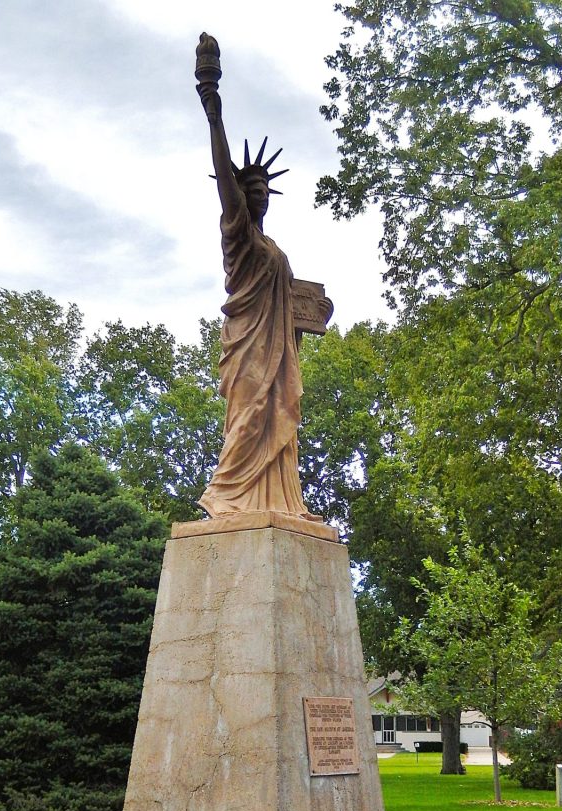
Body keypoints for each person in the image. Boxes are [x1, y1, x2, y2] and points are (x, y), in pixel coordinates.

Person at [196, 34, 318, 520]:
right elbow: (225, 179)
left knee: (276, 422)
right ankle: (227, 498)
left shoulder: (277, 252)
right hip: (247, 348)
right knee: (246, 422)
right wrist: (214, 112)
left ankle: (278, 501)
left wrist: (311, 314)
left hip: (278, 350)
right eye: (253, 188)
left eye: (266, 188)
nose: (261, 194)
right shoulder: (240, 236)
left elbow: (293, 305)